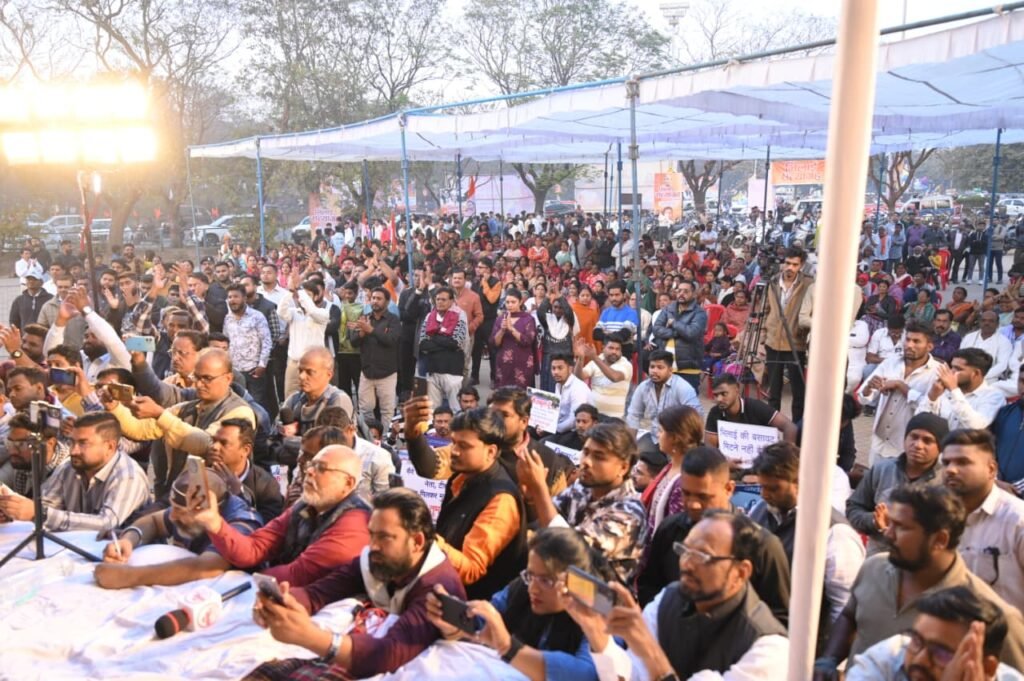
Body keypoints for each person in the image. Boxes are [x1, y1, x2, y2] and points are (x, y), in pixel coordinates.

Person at [242, 488, 464, 681]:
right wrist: (282, 604)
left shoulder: (439, 587)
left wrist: (309, 636)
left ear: (417, 542)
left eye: (384, 537)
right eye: (371, 535)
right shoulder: (375, 560)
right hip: (357, 649)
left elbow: (390, 652)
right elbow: (319, 593)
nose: (373, 546)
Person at [816, 485, 1024, 677]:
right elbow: (849, 615)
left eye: (901, 527)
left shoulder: (987, 612)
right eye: (890, 523)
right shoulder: (874, 568)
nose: (888, 534)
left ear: (940, 540)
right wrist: (829, 659)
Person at [584, 512, 789, 681]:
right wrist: (595, 630)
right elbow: (633, 675)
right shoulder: (667, 600)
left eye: (702, 556)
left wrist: (648, 648)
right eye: (684, 550)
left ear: (741, 572)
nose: (687, 564)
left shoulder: (769, 648)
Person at [426, 528, 606, 681]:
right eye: (531, 575)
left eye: (546, 580)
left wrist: (509, 647)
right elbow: (483, 625)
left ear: (574, 581)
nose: (533, 589)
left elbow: (586, 673)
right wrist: (454, 622)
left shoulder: (597, 612)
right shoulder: (522, 586)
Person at [636, 447, 792, 621]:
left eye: (703, 497)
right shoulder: (669, 530)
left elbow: (779, 616)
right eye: (686, 494)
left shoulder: (762, 546)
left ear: (729, 489)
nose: (693, 504)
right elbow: (649, 587)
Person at [191, 445, 371, 587]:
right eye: (312, 465)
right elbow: (254, 548)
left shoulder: (355, 523)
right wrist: (214, 523)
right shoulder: (305, 506)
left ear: (348, 483)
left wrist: (247, 580)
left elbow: (296, 575)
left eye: (322, 468)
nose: (309, 471)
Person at [107, 348, 255, 502]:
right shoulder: (188, 408)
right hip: (181, 493)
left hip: (219, 498)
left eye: (207, 378)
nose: (199, 384)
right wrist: (114, 407)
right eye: (196, 377)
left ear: (228, 378)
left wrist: (160, 414)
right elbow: (141, 429)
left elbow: (206, 444)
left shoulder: (240, 411)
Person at [748, 442, 865, 627]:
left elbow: (844, 608)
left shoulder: (835, 533)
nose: (764, 495)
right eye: (762, 487)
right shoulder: (759, 511)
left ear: (800, 482)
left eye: (773, 488)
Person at [518, 422, 647, 584]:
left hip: (592, 595)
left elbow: (567, 551)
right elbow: (545, 521)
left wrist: (539, 490)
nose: (586, 462)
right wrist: (532, 499)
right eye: (585, 452)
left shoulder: (629, 514)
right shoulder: (583, 487)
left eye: (599, 457)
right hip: (551, 581)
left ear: (623, 467)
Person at [92, 468, 264, 589]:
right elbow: (154, 521)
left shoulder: (243, 521)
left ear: (207, 509)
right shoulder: (186, 509)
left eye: (180, 511)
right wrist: (128, 540)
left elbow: (207, 566)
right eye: (172, 507)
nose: (173, 516)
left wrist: (129, 576)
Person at [0, 412, 151, 533]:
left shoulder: (128, 476)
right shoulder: (69, 467)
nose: (73, 451)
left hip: (122, 554)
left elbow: (106, 524)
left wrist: (39, 514)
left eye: (83, 443)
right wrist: (14, 511)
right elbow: (46, 504)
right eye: (72, 442)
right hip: (78, 549)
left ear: (110, 446)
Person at [846, 586, 1024, 681]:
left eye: (942, 653)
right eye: (917, 640)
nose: (920, 659)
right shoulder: (883, 662)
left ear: (988, 668)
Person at [941, 429, 1024, 610]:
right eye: (946, 463)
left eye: (963, 462)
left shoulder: (1017, 521)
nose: (950, 470)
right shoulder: (935, 517)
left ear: (991, 469)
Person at [845, 413, 948, 554]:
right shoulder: (882, 470)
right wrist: (875, 520)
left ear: (940, 447)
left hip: (921, 561)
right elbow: (854, 508)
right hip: (878, 557)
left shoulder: (946, 482)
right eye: (914, 437)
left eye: (927, 441)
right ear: (905, 438)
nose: (918, 445)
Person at [859, 319, 942, 464]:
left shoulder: (937, 373)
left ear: (929, 346)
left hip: (906, 449)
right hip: (879, 442)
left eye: (916, 341)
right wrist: (869, 388)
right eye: (907, 340)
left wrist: (900, 386)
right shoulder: (891, 362)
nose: (909, 345)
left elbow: (930, 411)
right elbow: (863, 398)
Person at [763, 247, 814, 422]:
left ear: (801, 265)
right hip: (773, 342)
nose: (790, 268)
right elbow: (765, 310)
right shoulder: (773, 281)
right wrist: (764, 335)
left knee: (798, 393)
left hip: (796, 343)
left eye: (795, 264)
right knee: (773, 391)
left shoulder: (808, 284)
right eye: (787, 263)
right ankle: (772, 427)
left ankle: (797, 428)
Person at [641, 406, 706, 536]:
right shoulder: (671, 466)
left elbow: (674, 530)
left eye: (661, 431)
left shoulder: (684, 480)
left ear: (675, 438)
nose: (658, 435)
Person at [207, 418, 284, 521]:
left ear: (245, 450)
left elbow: (265, 526)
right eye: (214, 441)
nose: (214, 447)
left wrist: (238, 495)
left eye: (223, 443)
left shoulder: (266, 486)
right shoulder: (202, 474)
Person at [917, 348, 1005, 430]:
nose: (951, 372)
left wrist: (954, 390)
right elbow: (919, 421)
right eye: (952, 367)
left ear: (976, 373)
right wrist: (932, 397)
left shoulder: (993, 396)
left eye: (958, 369)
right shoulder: (943, 390)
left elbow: (976, 426)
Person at [704, 374, 797, 449]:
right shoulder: (715, 413)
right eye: (716, 395)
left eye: (724, 394)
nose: (719, 399)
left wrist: (786, 457)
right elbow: (710, 448)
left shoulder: (756, 407)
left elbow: (790, 427)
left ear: (737, 389)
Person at [625, 350, 702, 439]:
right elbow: (633, 416)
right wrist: (630, 444)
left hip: (678, 439)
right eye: (652, 367)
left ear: (670, 370)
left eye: (660, 367)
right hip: (655, 437)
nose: (654, 371)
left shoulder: (683, 387)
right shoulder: (643, 387)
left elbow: (696, 417)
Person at [351, 287, 401, 424]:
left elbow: (391, 340)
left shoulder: (393, 320)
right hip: (367, 372)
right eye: (373, 298)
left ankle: (386, 436)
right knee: (365, 409)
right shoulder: (364, 318)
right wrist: (361, 334)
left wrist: (371, 330)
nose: (375, 301)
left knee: (387, 411)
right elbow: (353, 342)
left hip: (387, 373)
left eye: (379, 299)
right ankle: (369, 435)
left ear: (387, 301)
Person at [649, 280, 707, 391]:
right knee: (664, 400)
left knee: (687, 401)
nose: (681, 294)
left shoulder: (699, 313)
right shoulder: (668, 309)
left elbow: (691, 333)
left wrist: (673, 323)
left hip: (688, 368)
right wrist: (676, 333)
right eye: (679, 291)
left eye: (686, 291)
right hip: (666, 366)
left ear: (693, 294)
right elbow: (656, 329)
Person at [278, 275, 330, 397]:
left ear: (316, 297)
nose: (302, 299)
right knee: (290, 398)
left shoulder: (322, 313)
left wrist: (299, 290)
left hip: (314, 364)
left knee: (314, 397)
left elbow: (311, 310)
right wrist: (291, 292)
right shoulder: (294, 312)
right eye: (301, 296)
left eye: (308, 295)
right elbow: (280, 311)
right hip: (294, 363)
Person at [223, 282, 273, 407]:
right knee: (237, 405)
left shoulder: (257, 316)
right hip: (235, 371)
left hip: (254, 370)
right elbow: (226, 342)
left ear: (244, 298)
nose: (232, 300)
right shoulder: (228, 318)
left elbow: (266, 341)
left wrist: (262, 365)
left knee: (256, 405)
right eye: (230, 297)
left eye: (236, 296)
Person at [418, 286, 467, 411]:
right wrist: (444, 339)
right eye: (438, 299)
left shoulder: (460, 315)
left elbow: (456, 342)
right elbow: (423, 344)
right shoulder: (430, 316)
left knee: (456, 409)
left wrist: (434, 336)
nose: (440, 302)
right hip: (433, 369)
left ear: (451, 301)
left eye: (443, 299)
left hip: (452, 370)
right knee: (433, 410)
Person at [0, 411, 69, 497]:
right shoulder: (20, 463)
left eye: (21, 445)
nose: (13, 451)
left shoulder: (69, 473)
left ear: (50, 443)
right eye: (9, 443)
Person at [490, 288, 537, 389]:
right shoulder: (500, 319)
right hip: (504, 364)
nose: (510, 305)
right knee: (503, 393)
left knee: (521, 394)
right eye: (507, 302)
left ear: (520, 302)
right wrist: (502, 330)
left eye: (513, 302)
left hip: (522, 363)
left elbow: (527, 340)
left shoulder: (528, 319)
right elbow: (494, 343)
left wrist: (511, 329)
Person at [963, 311, 1017, 386]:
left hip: (990, 380)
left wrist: (980, 376)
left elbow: (1002, 365)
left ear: (997, 324)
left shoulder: (1004, 342)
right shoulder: (969, 337)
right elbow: (960, 357)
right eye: (983, 320)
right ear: (979, 322)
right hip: (966, 376)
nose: (986, 323)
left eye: (991, 321)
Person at [549, 353, 594, 436]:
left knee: (544, 441)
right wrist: (546, 425)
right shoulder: (558, 385)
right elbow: (557, 411)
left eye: (560, 368)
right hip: (561, 426)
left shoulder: (578, 388)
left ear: (570, 369)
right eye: (553, 368)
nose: (556, 372)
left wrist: (553, 429)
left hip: (577, 431)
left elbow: (573, 421)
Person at [592, 281, 639, 347]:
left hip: (624, 350)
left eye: (617, 295)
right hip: (607, 350)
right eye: (611, 295)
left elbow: (624, 335)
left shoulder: (631, 313)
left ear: (624, 295)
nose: (614, 298)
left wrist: (606, 334)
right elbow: (596, 334)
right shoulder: (605, 312)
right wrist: (614, 335)